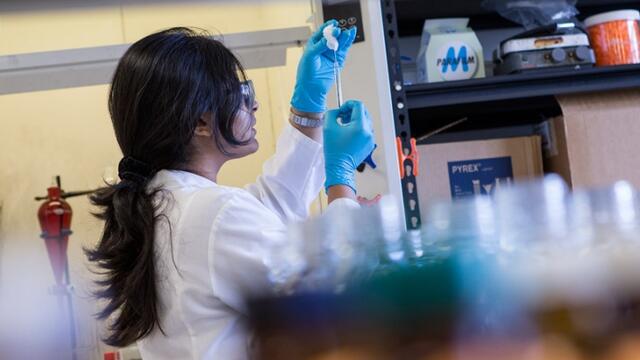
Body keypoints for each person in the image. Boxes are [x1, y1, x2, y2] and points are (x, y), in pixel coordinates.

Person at [85, 21, 375, 359]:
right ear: (200, 123)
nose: (254, 106)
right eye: (241, 95)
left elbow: (274, 204)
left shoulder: (168, 203)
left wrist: (309, 105)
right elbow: (332, 299)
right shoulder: (210, 214)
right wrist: (342, 182)